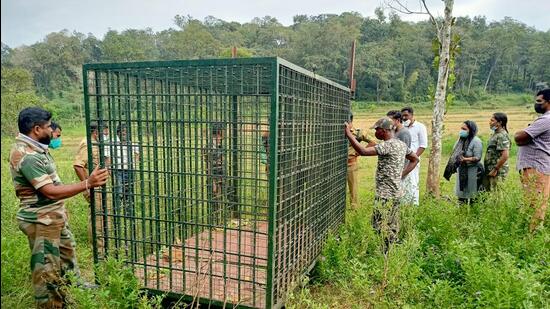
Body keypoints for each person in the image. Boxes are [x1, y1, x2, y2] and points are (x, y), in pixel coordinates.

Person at [9, 107, 109, 308]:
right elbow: (50, 191)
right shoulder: (28, 155)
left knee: (66, 253)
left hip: (51, 215)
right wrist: (87, 183)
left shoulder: (36, 149)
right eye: (48, 128)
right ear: (36, 129)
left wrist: (60, 208)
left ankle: (74, 288)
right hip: (41, 219)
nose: (53, 132)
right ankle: (51, 304)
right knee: (47, 267)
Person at [344, 117, 419, 250]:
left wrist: (349, 135)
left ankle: (384, 252)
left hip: (385, 194)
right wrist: (401, 174)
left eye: (377, 130)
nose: (375, 133)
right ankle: (391, 249)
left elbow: (363, 151)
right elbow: (415, 159)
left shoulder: (387, 145)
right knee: (392, 223)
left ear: (384, 131)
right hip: (396, 192)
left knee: (379, 225)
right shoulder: (400, 144)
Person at [514, 88, 550, 232]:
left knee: (534, 204)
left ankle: (533, 236)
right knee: (535, 202)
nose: (536, 104)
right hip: (541, 166)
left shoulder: (546, 120)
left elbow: (520, 137)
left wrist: (520, 134)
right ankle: (532, 234)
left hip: (536, 167)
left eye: (539, 101)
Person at [73, 121, 111, 254]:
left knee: (104, 215)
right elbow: (78, 166)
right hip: (94, 186)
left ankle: (104, 245)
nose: (106, 134)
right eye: (105, 132)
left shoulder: (97, 143)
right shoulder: (86, 144)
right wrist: (86, 186)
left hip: (101, 184)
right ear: (96, 132)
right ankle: (98, 250)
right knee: (97, 216)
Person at [446, 121, 483, 204]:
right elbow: (455, 152)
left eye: (464, 129)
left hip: (473, 171)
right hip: (461, 170)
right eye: (461, 128)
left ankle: (474, 213)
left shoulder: (476, 141)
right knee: (461, 193)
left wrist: (465, 159)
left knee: (473, 194)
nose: (461, 131)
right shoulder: (460, 140)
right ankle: (462, 213)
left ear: (471, 130)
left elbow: (478, 157)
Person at [347, 113, 376, 210]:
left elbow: (372, 142)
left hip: (350, 164)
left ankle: (354, 208)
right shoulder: (337, 132)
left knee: (353, 188)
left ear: (350, 121)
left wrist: (360, 152)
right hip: (336, 165)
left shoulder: (358, 133)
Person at [401, 107, 427, 205]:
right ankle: (403, 204)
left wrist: (414, 158)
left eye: (406, 115)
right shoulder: (401, 127)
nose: (404, 117)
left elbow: (423, 146)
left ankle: (414, 205)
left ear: (412, 115)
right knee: (402, 181)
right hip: (401, 160)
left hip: (413, 160)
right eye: (402, 115)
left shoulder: (420, 127)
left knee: (413, 181)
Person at [387, 110, 414, 204]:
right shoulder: (394, 131)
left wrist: (402, 173)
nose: (388, 123)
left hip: (400, 170)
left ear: (397, 120)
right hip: (393, 170)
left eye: (390, 120)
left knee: (396, 199)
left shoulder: (404, 133)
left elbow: (405, 154)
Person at [204, 122, 229, 224]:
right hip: (214, 177)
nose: (224, 135)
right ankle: (215, 222)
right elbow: (207, 166)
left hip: (221, 175)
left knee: (224, 199)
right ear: (219, 132)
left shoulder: (220, 146)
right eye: (223, 132)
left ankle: (222, 220)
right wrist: (212, 181)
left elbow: (222, 161)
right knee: (215, 200)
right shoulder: (209, 146)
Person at [112, 123, 139, 213]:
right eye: (122, 131)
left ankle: (129, 212)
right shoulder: (113, 144)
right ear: (118, 133)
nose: (124, 133)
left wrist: (133, 165)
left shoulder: (132, 144)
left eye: (126, 132)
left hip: (130, 170)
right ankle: (117, 212)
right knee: (119, 191)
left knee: (128, 191)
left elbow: (137, 155)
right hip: (118, 170)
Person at [483, 113, 511, 191]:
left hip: (498, 171)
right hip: (490, 169)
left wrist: (495, 169)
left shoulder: (502, 135)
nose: (490, 122)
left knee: (497, 194)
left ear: (499, 123)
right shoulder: (495, 134)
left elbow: (505, 155)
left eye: (492, 120)